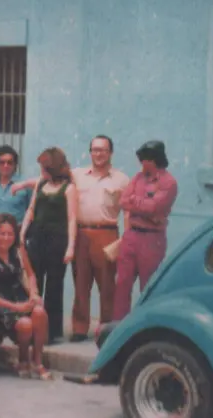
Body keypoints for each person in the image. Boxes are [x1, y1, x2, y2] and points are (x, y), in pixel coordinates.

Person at [0, 213, 51, 380]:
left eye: (10, 234)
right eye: (2, 233)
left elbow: (30, 275)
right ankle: (23, 358)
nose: (6, 238)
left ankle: (37, 361)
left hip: (19, 297)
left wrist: (34, 293)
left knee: (39, 313)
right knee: (25, 324)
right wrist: (15, 307)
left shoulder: (18, 252)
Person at [68, 136, 131, 342]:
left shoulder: (121, 179)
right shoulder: (77, 175)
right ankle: (79, 328)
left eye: (103, 150)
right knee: (80, 282)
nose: (99, 154)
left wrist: (125, 239)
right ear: (90, 152)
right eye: (95, 150)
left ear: (110, 153)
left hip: (107, 233)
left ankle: (106, 329)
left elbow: (128, 212)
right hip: (81, 233)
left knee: (107, 284)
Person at [113, 140, 178, 321]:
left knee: (148, 286)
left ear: (154, 159)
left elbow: (155, 207)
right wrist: (142, 205)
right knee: (122, 283)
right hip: (132, 235)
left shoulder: (168, 182)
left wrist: (136, 203)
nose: (141, 163)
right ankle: (118, 325)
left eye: (144, 159)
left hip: (151, 239)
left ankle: (146, 323)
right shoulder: (138, 178)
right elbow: (123, 201)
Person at [20, 148, 77, 345]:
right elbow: (31, 210)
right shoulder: (41, 184)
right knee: (34, 282)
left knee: (54, 285)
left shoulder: (68, 188)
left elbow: (71, 219)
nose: (41, 171)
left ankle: (51, 332)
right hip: (37, 237)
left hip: (57, 240)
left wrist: (70, 247)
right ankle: (31, 327)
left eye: (44, 167)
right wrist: (22, 232)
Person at [0, 145, 31, 228]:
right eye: (2, 162)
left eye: (10, 162)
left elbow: (30, 210)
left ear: (15, 165)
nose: (6, 166)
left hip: (18, 232)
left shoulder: (25, 185)